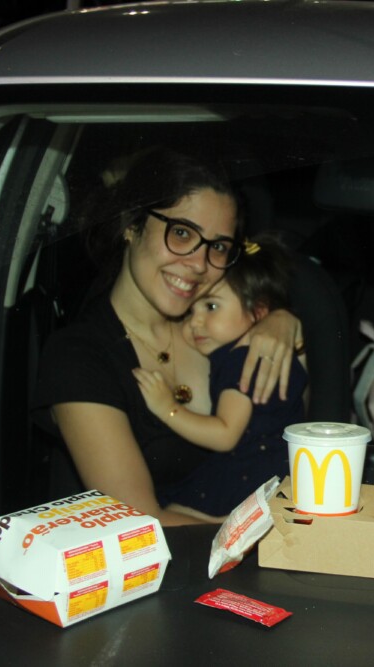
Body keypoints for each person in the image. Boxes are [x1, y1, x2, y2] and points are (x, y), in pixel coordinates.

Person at [34, 147, 303, 525]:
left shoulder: (217, 328)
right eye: (181, 233)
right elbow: (139, 522)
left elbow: (295, 426)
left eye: (218, 247)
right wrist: (267, 534)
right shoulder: (79, 358)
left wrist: (282, 323)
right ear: (131, 224)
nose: (198, 264)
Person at [133, 235, 307, 516]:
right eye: (190, 311)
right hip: (283, 473)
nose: (195, 322)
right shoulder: (277, 353)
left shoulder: (239, 361)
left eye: (211, 306)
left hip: (246, 477)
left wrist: (168, 408)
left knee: (171, 513)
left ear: (258, 310)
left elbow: (225, 434)